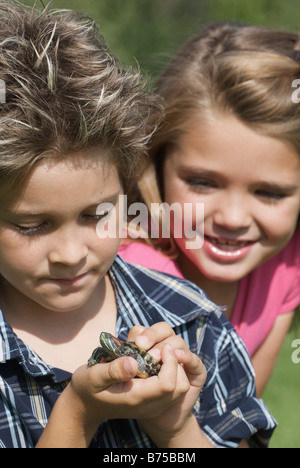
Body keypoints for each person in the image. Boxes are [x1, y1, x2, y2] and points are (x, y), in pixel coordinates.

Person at [0, 2, 276, 448]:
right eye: (32, 226)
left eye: (97, 215)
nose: (71, 253)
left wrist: (175, 426)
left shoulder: (191, 320)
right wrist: (77, 415)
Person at [119, 22, 300, 397]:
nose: (232, 218)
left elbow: (244, 423)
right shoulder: (130, 270)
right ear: (156, 163)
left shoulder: (286, 266)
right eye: (202, 182)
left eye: (269, 192)